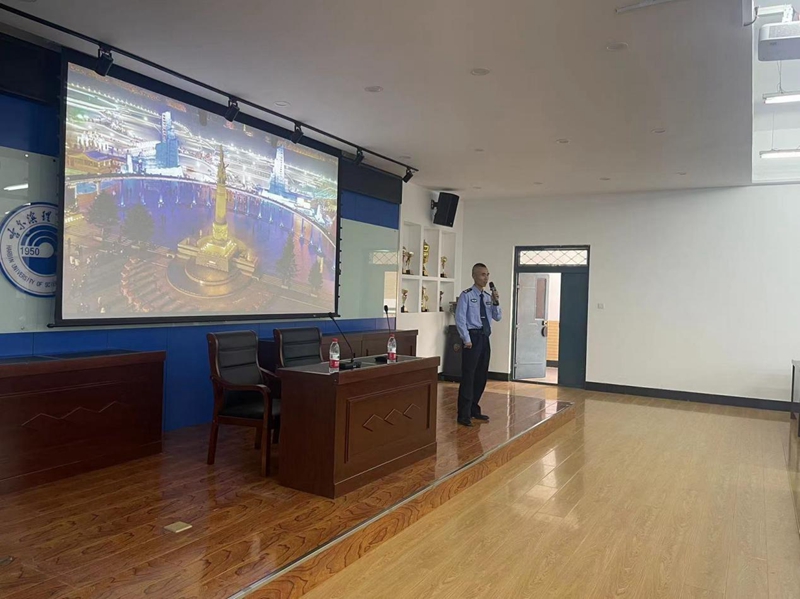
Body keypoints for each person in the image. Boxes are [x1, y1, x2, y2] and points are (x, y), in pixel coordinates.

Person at [455, 263, 501, 427]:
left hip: (484, 337)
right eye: (482, 274)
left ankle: (474, 409)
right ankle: (463, 414)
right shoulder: (466, 295)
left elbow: (497, 317)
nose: (486, 278)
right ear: (474, 276)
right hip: (472, 338)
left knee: (481, 375)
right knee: (469, 376)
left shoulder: (488, 297)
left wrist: (496, 302)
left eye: (487, 274)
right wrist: (466, 339)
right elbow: (460, 318)